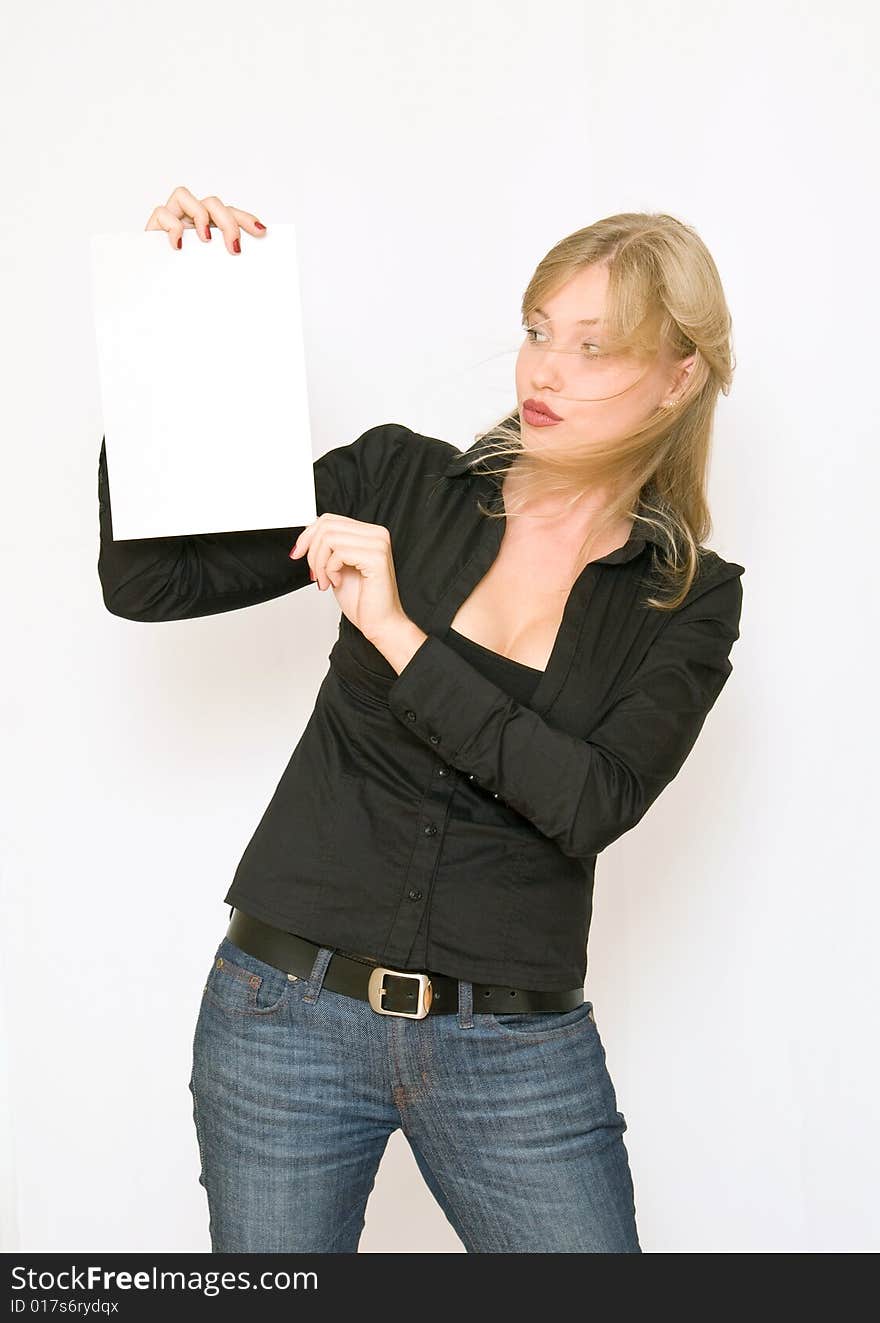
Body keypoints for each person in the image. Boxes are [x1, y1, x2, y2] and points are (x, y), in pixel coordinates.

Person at [97, 186, 745, 1253]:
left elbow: (586, 801)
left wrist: (399, 635)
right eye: (539, 331)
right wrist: (167, 327)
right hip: (280, 1022)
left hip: (514, 1053)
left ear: (678, 378)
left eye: (594, 346)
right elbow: (152, 582)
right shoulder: (399, 477)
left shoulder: (686, 596)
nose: (544, 369)